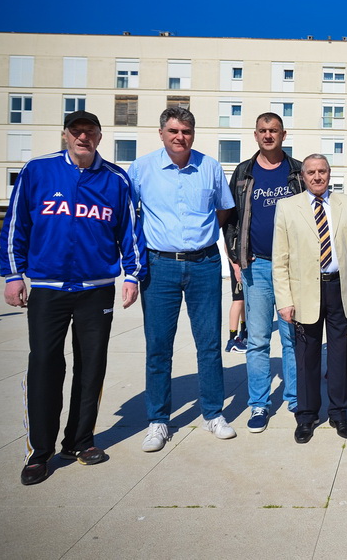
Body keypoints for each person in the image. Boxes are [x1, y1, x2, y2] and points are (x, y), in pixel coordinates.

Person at [0, 110, 146, 486]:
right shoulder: (38, 170)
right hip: (48, 288)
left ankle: (79, 441)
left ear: (99, 136)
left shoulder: (116, 178)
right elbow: (16, 223)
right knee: (44, 365)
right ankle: (39, 452)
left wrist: (132, 274)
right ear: (65, 134)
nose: (83, 137)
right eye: (76, 131)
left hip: (96, 289)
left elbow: (130, 231)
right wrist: (13, 275)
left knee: (91, 366)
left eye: (90, 131)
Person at [130, 107, 237, 453]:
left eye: (186, 131)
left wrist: (202, 235)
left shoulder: (210, 167)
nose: (180, 137)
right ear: (161, 132)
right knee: (158, 346)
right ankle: (158, 420)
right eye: (174, 131)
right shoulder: (141, 169)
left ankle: (213, 413)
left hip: (204, 263)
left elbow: (224, 208)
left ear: (193, 134)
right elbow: (129, 215)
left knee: (209, 344)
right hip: (159, 266)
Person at [272, 154, 347, 443]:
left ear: (329, 173)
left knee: (341, 355)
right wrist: (284, 300)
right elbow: (280, 259)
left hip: (340, 289)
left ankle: (339, 413)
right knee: (306, 357)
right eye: (311, 172)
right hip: (304, 293)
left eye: (322, 171)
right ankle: (306, 415)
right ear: (303, 176)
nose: (317, 177)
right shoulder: (287, 207)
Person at [224, 113, 304, 433]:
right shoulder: (243, 172)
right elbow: (230, 219)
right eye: (263, 131)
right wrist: (235, 258)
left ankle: (295, 398)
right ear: (255, 135)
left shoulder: (297, 171)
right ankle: (259, 403)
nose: (268, 135)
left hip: (292, 268)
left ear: (284, 134)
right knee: (257, 340)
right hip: (255, 265)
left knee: (292, 338)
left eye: (274, 130)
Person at [224, 265, 247, 353]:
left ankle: (244, 331)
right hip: (237, 264)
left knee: (243, 299)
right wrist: (236, 268)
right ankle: (232, 339)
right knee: (238, 300)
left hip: (243, 264)